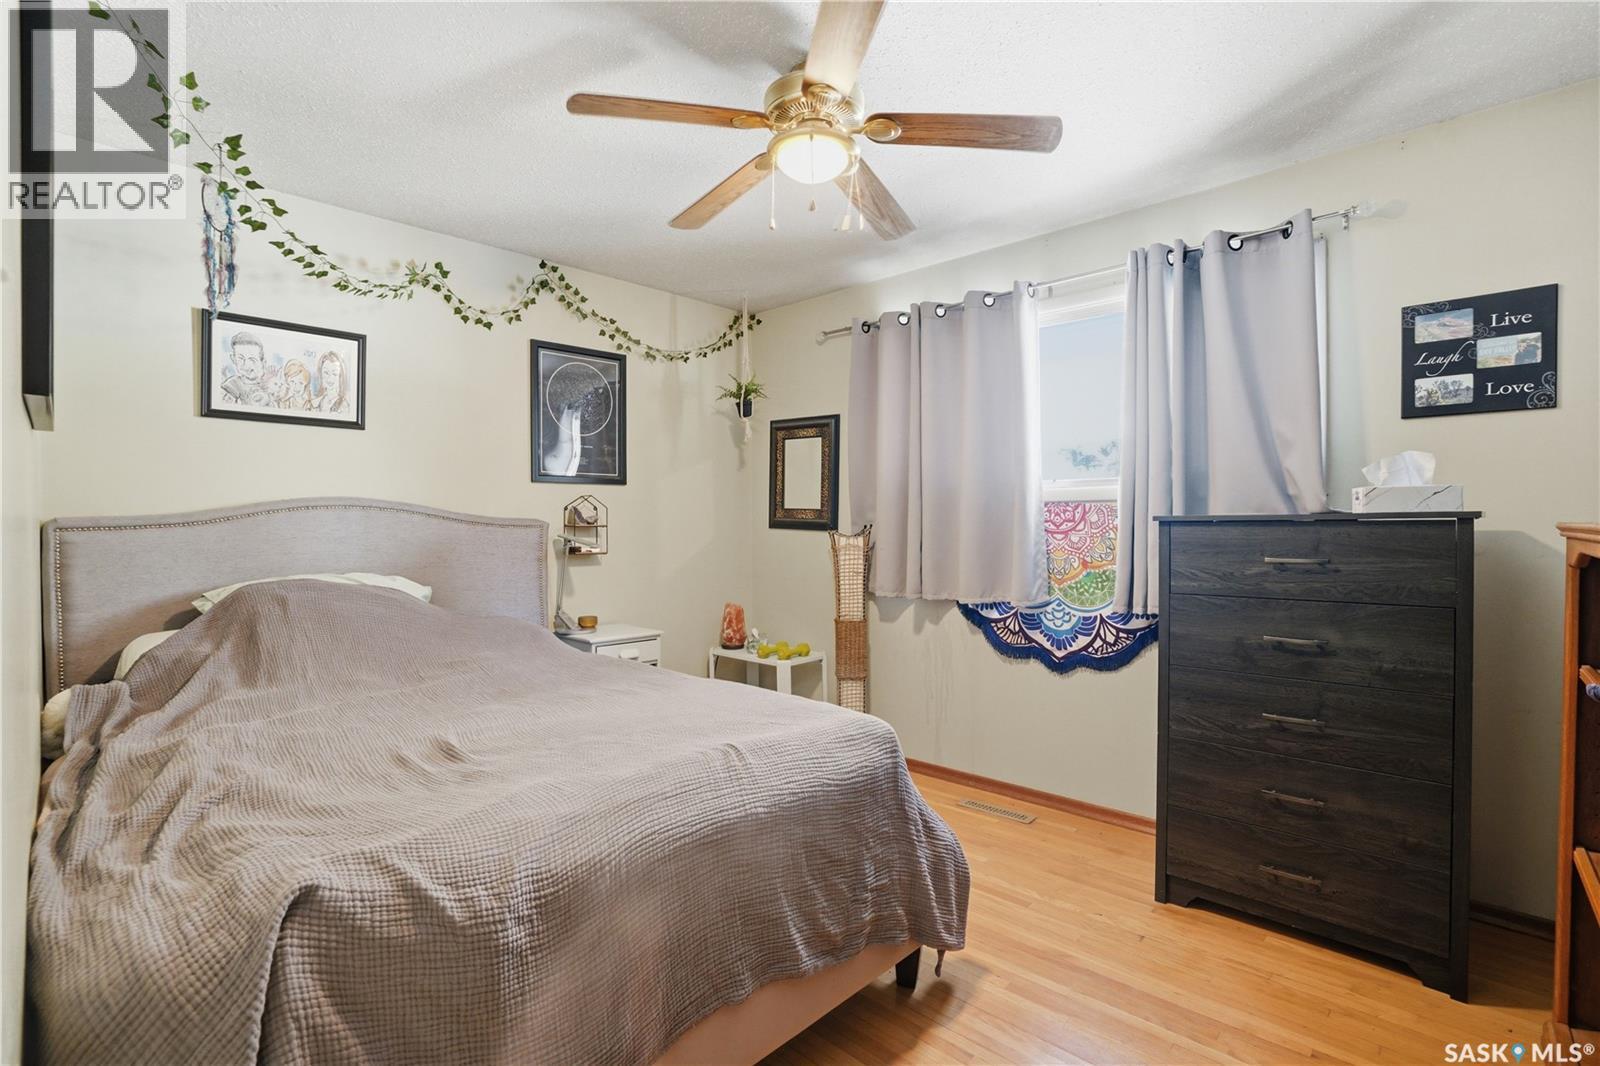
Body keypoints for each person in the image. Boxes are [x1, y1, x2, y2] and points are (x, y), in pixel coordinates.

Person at [219, 331, 272, 407]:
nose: (246, 365)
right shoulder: (231, 386)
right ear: (233, 359)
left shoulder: (269, 384)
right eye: (241, 358)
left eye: (252, 359)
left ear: (263, 362)